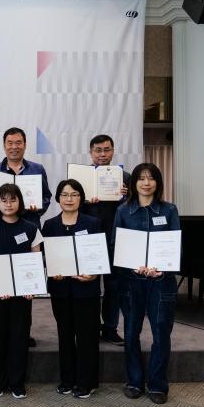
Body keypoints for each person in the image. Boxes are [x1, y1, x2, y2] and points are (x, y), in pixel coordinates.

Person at [112, 163, 180, 405]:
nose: (146, 183)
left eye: (151, 178)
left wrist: (161, 268)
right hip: (131, 282)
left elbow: (174, 246)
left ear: (158, 183)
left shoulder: (169, 210)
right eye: (141, 178)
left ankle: (158, 384)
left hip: (161, 282)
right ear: (134, 183)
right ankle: (134, 381)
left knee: (161, 332)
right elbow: (116, 246)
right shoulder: (123, 211)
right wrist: (130, 265)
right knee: (131, 332)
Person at [0, 127, 51, 348]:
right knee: (1, 282)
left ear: (25, 144)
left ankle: (24, 331)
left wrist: (37, 207)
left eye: (18, 142)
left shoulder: (37, 169)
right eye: (10, 142)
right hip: (0, 229)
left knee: (25, 281)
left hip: (27, 227)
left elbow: (47, 196)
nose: (14, 146)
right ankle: (1, 332)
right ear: (4, 145)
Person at [0, 183, 43, 399]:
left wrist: (32, 287)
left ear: (20, 202)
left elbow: (36, 259)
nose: (8, 204)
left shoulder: (30, 228)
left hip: (23, 294)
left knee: (19, 335)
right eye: (4, 200)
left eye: (13, 199)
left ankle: (17, 382)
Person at [42, 179, 102, 399]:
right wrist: (52, 269)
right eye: (65, 194)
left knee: (87, 336)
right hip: (61, 289)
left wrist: (95, 273)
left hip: (87, 289)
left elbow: (100, 254)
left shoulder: (92, 222)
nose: (69, 199)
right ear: (58, 198)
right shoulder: (49, 225)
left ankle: (87, 382)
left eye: (74, 194)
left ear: (81, 198)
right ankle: (67, 379)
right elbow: (46, 255)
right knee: (65, 334)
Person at [80, 134, 130, 346]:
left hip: (115, 239)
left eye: (106, 149)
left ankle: (110, 328)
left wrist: (128, 196)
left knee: (114, 286)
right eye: (98, 150)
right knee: (88, 286)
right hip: (88, 239)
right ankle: (89, 328)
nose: (102, 154)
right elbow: (70, 206)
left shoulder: (125, 177)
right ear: (91, 152)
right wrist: (84, 200)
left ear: (113, 151)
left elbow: (135, 208)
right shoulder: (81, 177)